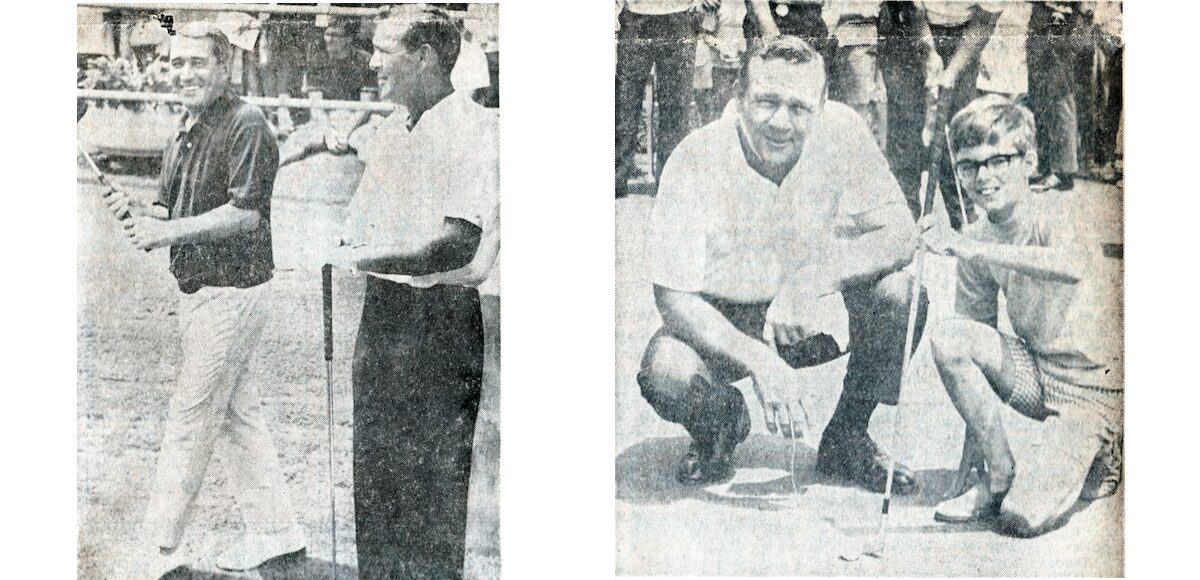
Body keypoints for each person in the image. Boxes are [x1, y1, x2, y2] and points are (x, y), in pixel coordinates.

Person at [639, 34, 928, 491]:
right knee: (667, 370)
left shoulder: (843, 128)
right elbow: (673, 296)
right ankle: (720, 427)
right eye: (766, 101)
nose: (780, 121)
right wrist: (760, 361)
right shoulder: (696, 158)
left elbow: (901, 233)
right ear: (739, 97)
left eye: (798, 107)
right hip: (726, 316)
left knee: (900, 297)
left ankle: (848, 437)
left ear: (823, 102)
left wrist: (811, 281)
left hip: (809, 312)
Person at [103, 22, 305, 577]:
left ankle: (158, 553)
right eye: (178, 62)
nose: (185, 73)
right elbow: (171, 209)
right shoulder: (183, 126)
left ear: (224, 67)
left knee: (190, 419)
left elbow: (246, 215)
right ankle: (278, 534)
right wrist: (144, 215)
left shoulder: (248, 123)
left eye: (198, 63)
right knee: (238, 417)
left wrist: (165, 233)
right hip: (198, 294)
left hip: (235, 295)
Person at [325, 7, 498, 578]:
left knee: (432, 498)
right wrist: (350, 249)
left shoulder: (473, 130)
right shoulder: (395, 129)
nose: (373, 62)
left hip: (441, 323)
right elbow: (359, 225)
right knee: (376, 483)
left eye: (384, 50)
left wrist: (351, 257)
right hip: (384, 314)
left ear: (423, 56)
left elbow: (452, 245)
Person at [922, 95, 1122, 537]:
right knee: (950, 337)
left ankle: (1104, 452)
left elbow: (1072, 266)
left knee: (1022, 518)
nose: (983, 177)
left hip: (1094, 388)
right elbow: (971, 345)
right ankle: (1000, 474)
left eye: (999, 161)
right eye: (969, 165)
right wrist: (973, 461)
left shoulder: (1054, 212)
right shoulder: (978, 237)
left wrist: (976, 247)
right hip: (1037, 376)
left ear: (1028, 161)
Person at [878, 1, 1000, 231]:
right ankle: (903, 218)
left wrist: (952, 71)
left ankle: (963, 216)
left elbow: (985, 21)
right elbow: (910, 6)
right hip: (903, 21)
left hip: (962, 32)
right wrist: (929, 52)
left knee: (957, 126)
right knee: (906, 125)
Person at [615, 0, 704, 196]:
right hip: (635, 17)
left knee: (675, 105)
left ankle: (669, 181)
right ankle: (616, 179)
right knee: (624, 102)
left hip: (680, 16)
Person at [1027, 1, 1080, 191]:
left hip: (1062, 17)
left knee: (1060, 96)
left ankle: (1063, 172)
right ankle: (1046, 166)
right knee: (1041, 99)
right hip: (1040, 16)